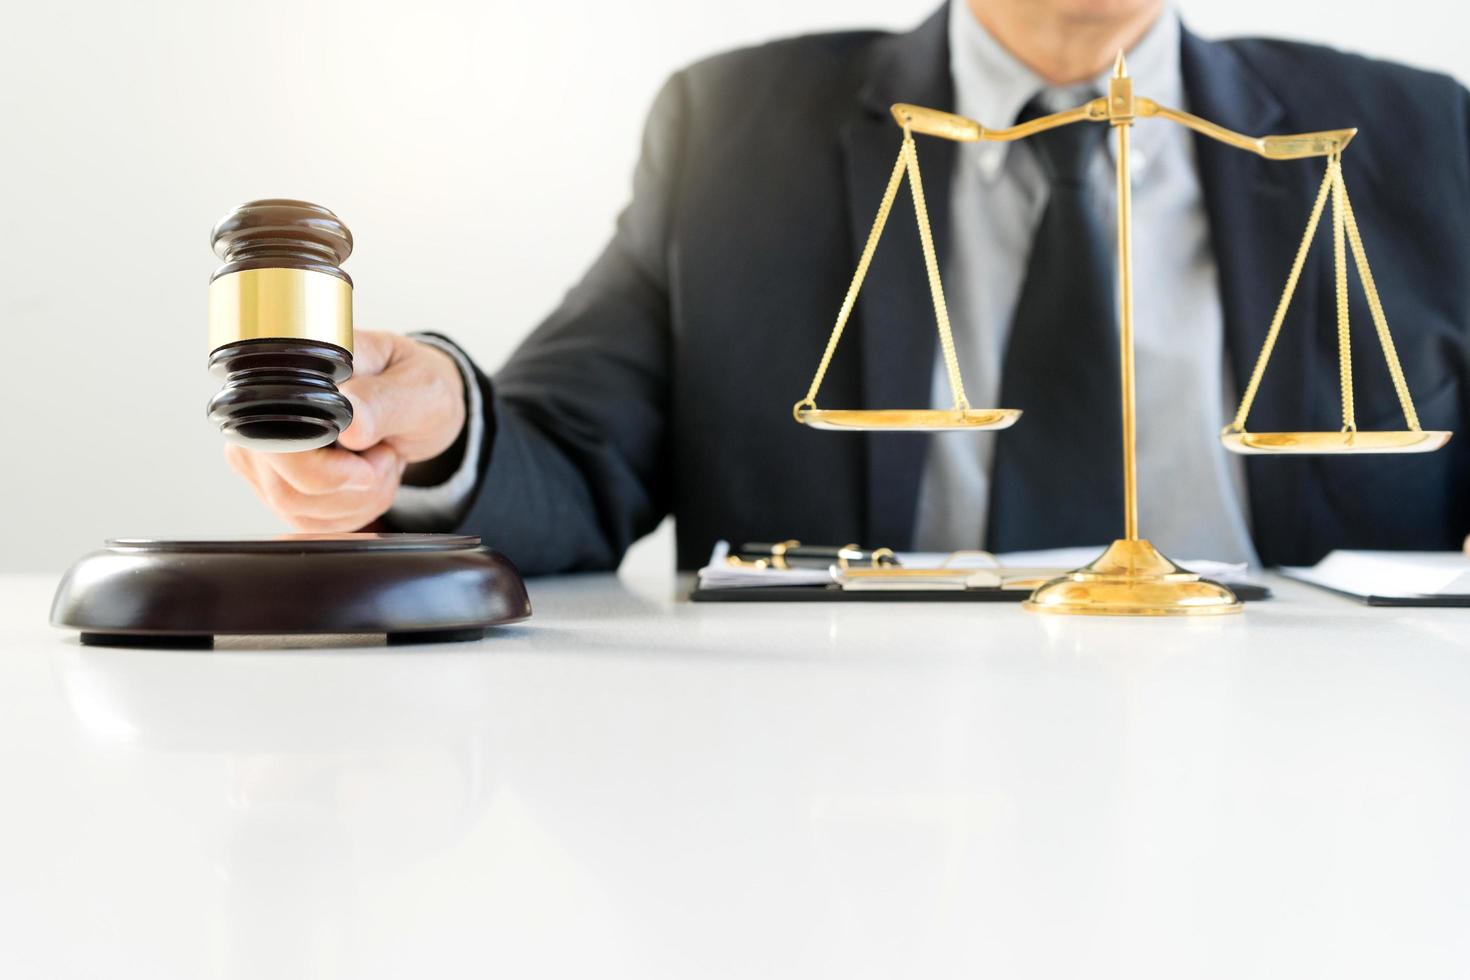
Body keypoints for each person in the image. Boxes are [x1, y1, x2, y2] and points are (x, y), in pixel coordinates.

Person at [225, 0, 1470, 575]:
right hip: (857, 776)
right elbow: (568, 454)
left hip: (1315, 778)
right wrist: (439, 419)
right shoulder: (734, 130)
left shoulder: (1420, 136)